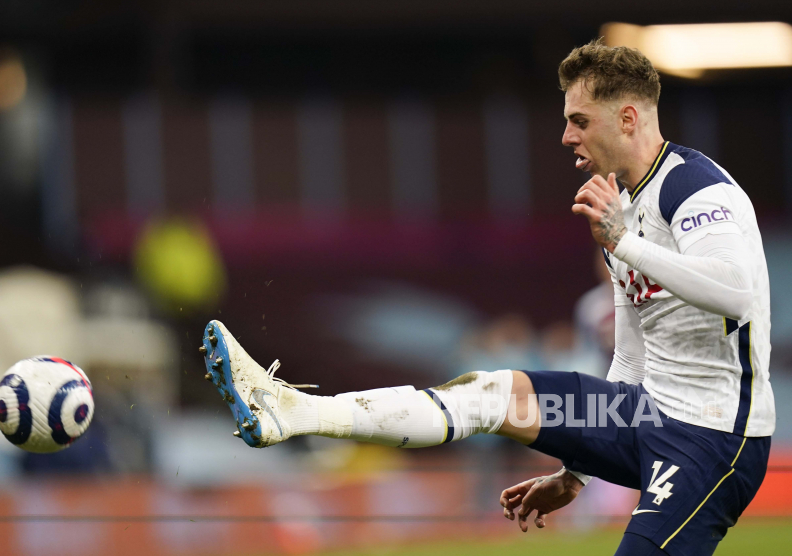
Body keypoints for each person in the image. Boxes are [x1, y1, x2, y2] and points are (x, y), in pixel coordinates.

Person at [199, 40, 774, 556]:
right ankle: (294, 411)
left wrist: (623, 242)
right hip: (644, 413)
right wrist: (577, 470)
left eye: (579, 120)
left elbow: (736, 292)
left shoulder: (692, 187)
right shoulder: (618, 208)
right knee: (490, 394)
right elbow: (629, 362)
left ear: (627, 118)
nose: (566, 136)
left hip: (715, 437)